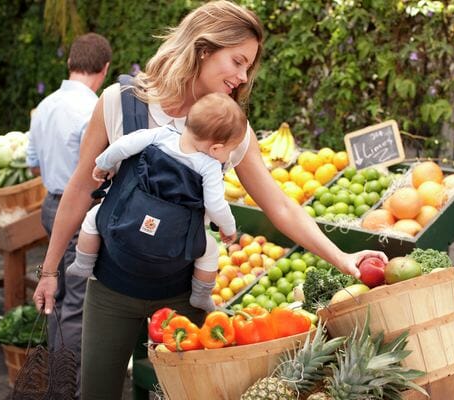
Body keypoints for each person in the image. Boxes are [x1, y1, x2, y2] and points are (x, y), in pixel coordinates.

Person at [32, 2, 386, 398]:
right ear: (203, 48)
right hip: (111, 288)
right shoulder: (119, 101)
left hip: (184, 294)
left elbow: (280, 205)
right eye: (237, 61)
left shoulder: (231, 130)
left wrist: (343, 258)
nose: (242, 76)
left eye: (248, 67)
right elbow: (80, 188)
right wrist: (49, 271)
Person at [66, 92, 247, 313]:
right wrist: (228, 229)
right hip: (175, 236)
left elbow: (123, 146)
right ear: (216, 148)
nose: (227, 157)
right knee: (208, 250)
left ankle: (84, 264)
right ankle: (201, 295)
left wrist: (103, 164)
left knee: (94, 217)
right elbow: (216, 205)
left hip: (132, 215)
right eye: (229, 151)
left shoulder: (162, 135)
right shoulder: (209, 167)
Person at [26, 32, 112, 397]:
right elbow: (97, 171)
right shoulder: (96, 109)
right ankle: (69, 391)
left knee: (55, 300)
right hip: (81, 211)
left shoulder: (45, 106)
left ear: (69, 63)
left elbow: (32, 166)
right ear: (105, 69)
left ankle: (56, 385)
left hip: (50, 207)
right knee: (77, 306)